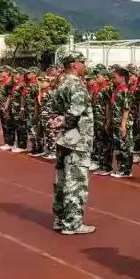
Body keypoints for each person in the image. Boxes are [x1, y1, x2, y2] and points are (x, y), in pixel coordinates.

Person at [50, 52, 95, 235]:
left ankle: (60, 219)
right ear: (75, 64)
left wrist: (59, 123)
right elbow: (75, 112)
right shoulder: (76, 84)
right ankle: (72, 223)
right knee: (75, 181)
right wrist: (65, 122)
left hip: (65, 138)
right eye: (83, 63)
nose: (85, 66)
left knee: (61, 179)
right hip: (77, 139)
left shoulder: (62, 82)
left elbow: (55, 109)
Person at [108, 68, 134, 179]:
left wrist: (123, 125)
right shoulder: (116, 89)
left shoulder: (125, 91)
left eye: (115, 77)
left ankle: (126, 170)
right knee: (118, 146)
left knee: (125, 146)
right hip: (116, 122)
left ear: (122, 77)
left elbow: (126, 109)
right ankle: (120, 168)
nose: (113, 79)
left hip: (123, 123)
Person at [0, 66, 15, 151]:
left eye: (2, 72)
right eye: (0, 72)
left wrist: (6, 106)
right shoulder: (2, 81)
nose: (0, 73)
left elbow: (10, 96)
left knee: (8, 124)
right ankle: (8, 142)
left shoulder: (8, 82)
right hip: (2, 106)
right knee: (4, 124)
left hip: (6, 107)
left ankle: (10, 143)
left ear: (7, 72)